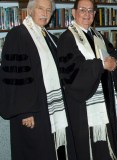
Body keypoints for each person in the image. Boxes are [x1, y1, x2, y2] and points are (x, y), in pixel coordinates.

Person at [0, 0, 75, 159]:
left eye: (49, 10)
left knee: (52, 150)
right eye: (41, 8)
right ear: (30, 10)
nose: (45, 13)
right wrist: (24, 111)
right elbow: (15, 77)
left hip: (51, 107)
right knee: (36, 152)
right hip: (32, 111)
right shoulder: (18, 35)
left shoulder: (50, 38)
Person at [56, 0, 117, 159]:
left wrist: (115, 62)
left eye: (90, 11)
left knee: (104, 146)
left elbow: (113, 53)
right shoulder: (67, 38)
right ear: (73, 12)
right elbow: (72, 72)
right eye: (83, 10)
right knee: (87, 147)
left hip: (104, 102)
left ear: (95, 14)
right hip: (81, 106)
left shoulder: (97, 36)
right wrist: (100, 65)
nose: (87, 14)